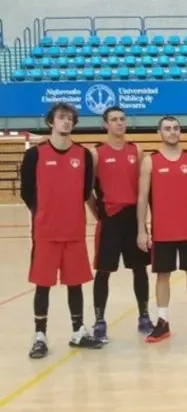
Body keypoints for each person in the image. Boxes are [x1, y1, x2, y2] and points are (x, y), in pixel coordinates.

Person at [22, 103, 103, 359]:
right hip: (46, 232)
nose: (66, 122)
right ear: (51, 122)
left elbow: (83, 192)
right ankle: (39, 336)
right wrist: (44, 211)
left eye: (70, 118)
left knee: (75, 283)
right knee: (42, 285)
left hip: (74, 231)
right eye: (61, 118)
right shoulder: (35, 154)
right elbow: (27, 191)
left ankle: (78, 331)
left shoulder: (83, 155)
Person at [137, 116, 187, 343]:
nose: (172, 132)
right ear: (159, 132)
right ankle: (162, 321)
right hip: (163, 230)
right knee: (162, 275)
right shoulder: (150, 162)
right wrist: (142, 229)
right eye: (167, 129)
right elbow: (141, 198)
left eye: (176, 128)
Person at [88, 107, 152, 343]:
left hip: (133, 218)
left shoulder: (137, 150)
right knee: (103, 272)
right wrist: (100, 215)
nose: (119, 123)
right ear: (105, 124)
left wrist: (142, 223)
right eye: (114, 120)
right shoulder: (96, 154)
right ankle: (99, 320)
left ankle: (144, 316)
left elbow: (144, 189)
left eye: (122, 119)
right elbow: (88, 193)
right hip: (110, 219)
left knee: (139, 268)